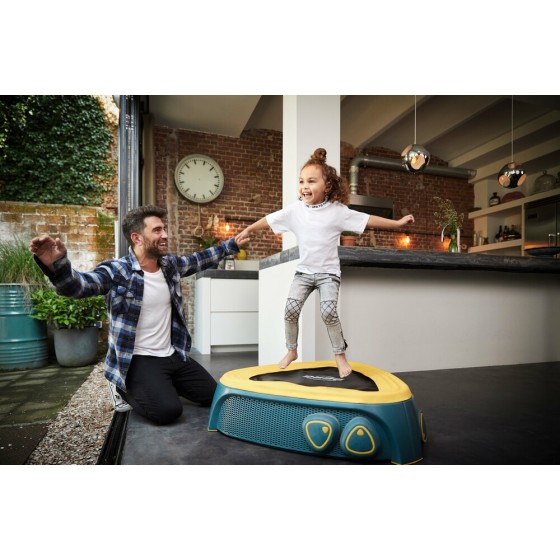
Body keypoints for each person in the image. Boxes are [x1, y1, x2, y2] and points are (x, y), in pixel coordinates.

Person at [30, 205, 247, 425]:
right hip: (138, 359)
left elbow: (198, 259)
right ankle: (121, 385)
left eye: (164, 229)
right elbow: (78, 286)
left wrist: (231, 245)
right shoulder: (118, 270)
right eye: (157, 230)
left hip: (172, 354)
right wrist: (58, 265)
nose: (165, 235)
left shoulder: (169, 266)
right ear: (137, 238)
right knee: (168, 411)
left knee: (213, 395)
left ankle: (161, 383)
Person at [235, 148, 414, 379]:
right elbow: (269, 220)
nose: (304, 186)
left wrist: (397, 223)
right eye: (301, 181)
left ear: (327, 186)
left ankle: (340, 356)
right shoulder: (295, 210)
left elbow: (368, 220)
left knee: (328, 313)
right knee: (290, 310)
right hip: (303, 274)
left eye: (311, 181)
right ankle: (292, 350)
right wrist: (249, 229)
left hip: (328, 274)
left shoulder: (338, 212)